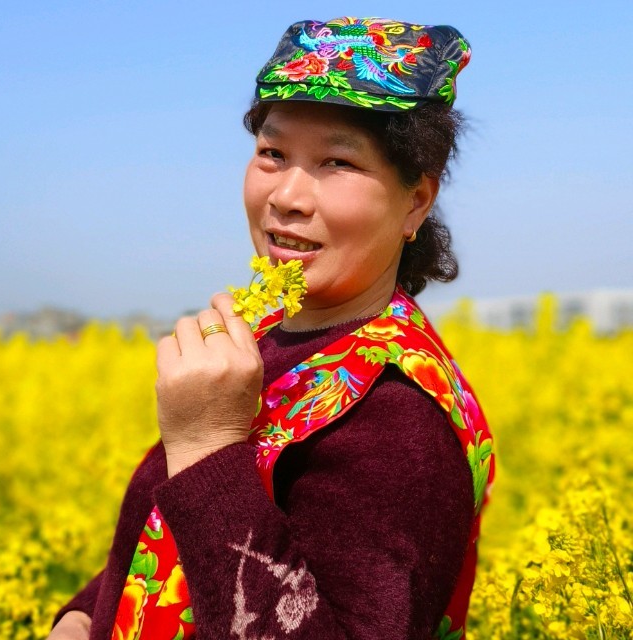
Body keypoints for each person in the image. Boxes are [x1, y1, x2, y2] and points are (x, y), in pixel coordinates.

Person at [49, 17, 494, 640]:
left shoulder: (397, 415)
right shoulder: (273, 342)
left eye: (337, 161)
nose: (287, 195)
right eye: (272, 153)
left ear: (416, 200)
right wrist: (78, 618)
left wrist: (206, 442)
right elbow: (167, 540)